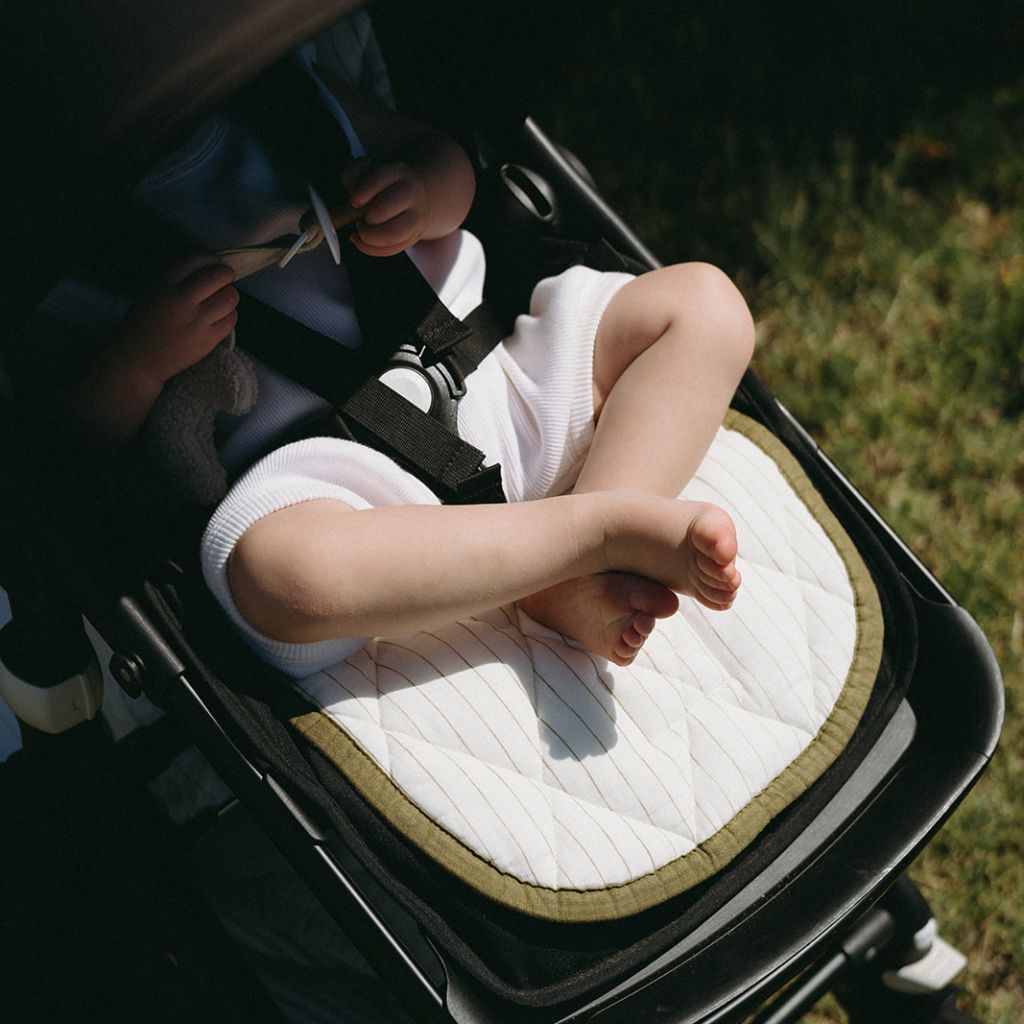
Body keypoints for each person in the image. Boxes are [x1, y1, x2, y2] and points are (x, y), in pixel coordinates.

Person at [45, 50, 755, 675]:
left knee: (705, 305)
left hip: (495, 376)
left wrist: (421, 191)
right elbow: (74, 436)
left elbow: (446, 163)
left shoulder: (280, 84)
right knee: (277, 571)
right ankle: (595, 535)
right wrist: (140, 361)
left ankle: (581, 552)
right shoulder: (74, 242)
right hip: (344, 485)